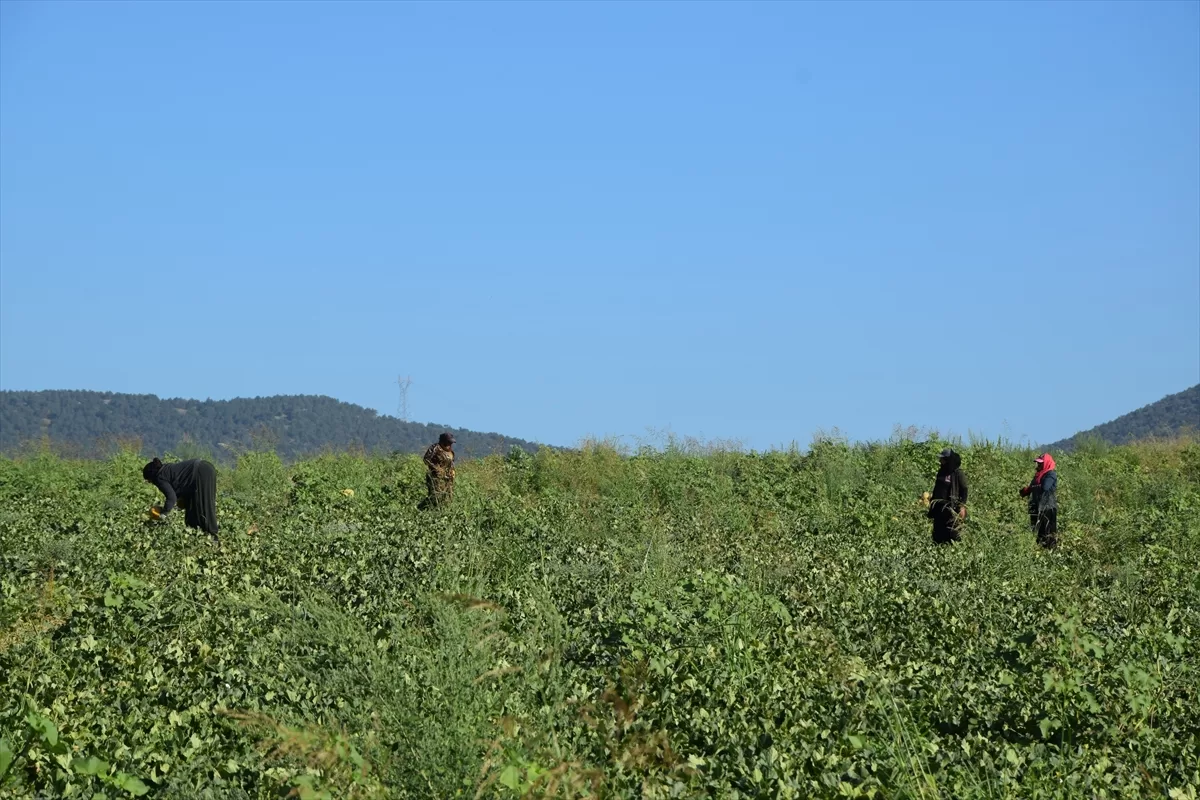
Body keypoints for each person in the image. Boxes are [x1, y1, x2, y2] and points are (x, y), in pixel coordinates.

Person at [143, 457, 220, 545]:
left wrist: (163, 513)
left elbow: (171, 498)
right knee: (192, 508)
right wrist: (178, 506)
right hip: (204, 468)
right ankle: (196, 535)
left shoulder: (159, 477)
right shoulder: (166, 469)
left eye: (149, 481)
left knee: (204, 505)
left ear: (151, 476)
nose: (150, 483)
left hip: (201, 472)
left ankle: (213, 537)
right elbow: (182, 486)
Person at [928, 448, 968, 544]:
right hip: (939, 508)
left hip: (951, 509)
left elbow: (964, 489)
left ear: (948, 460)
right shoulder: (941, 471)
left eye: (942, 459)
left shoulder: (958, 473)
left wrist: (962, 506)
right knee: (938, 534)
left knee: (952, 533)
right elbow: (937, 487)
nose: (940, 461)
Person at [1020, 453, 1058, 549]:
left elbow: (1045, 487)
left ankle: (1050, 551)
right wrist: (1026, 491)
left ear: (1046, 463)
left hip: (1047, 507)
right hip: (1035, 506)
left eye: (1041, 463)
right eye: (1038, 463)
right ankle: (1039, 550)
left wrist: (1034, 485)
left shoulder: (1050, 474)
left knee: (1048, 531)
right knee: (1036, 531)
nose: (1038, 465)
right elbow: (1033, 487)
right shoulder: (1038, 475)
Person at [420, 433, 456, 509]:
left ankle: (440, 511)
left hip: (447, 478)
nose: (450, 444)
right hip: (435, 477)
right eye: (449, 442)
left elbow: (451, 463)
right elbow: (426, 459)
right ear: (444, 441)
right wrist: (437, 469)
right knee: (435, 496)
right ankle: (421, 508)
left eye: (451, 442)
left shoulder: (451, 452)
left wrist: (452, 472)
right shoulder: (435, 448)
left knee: (447, 497)